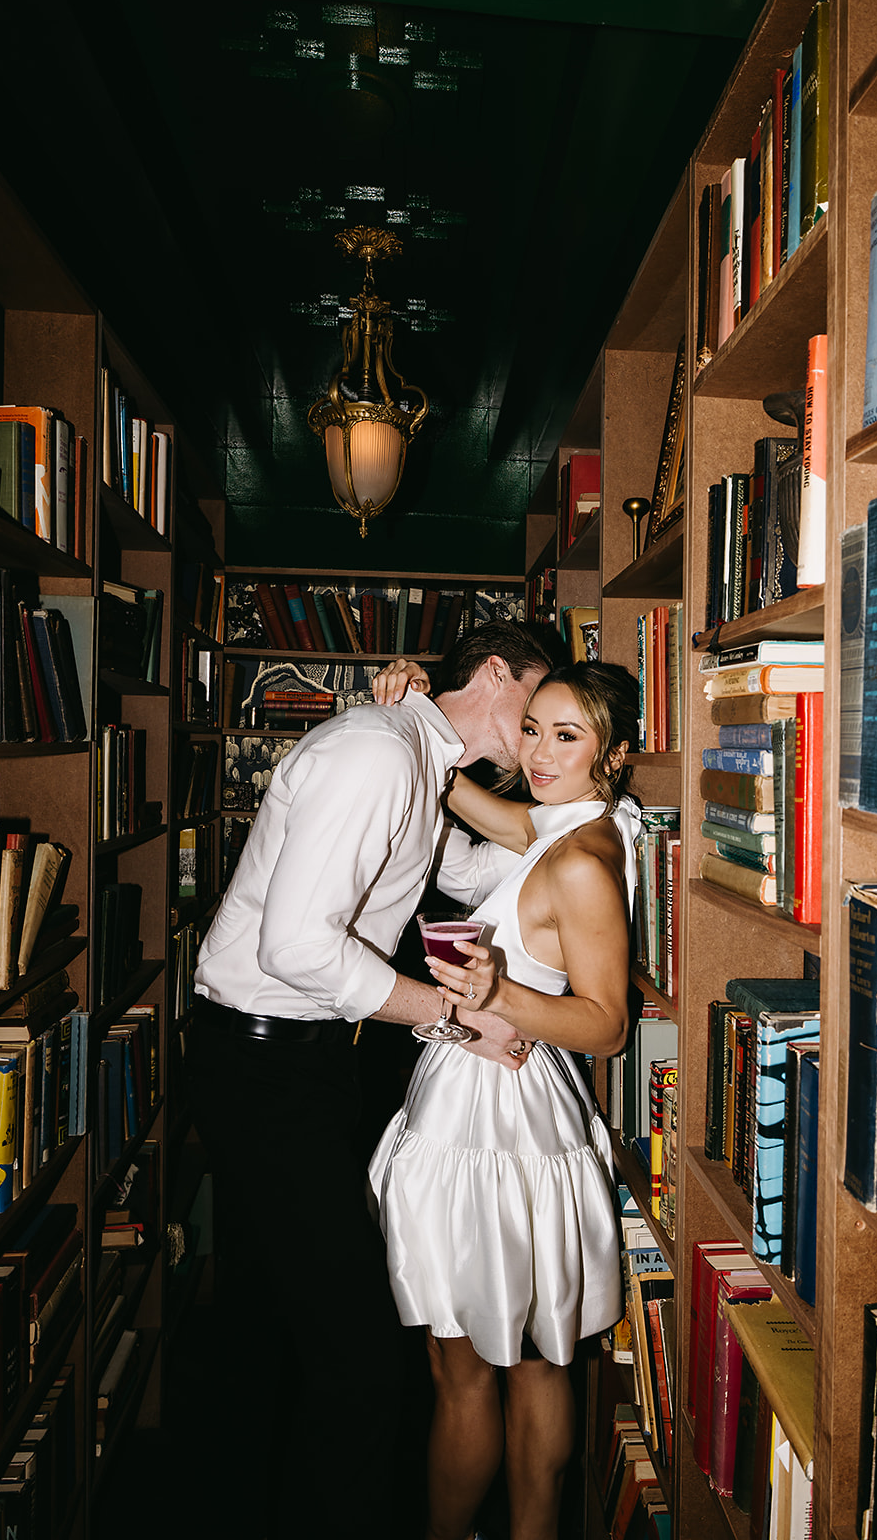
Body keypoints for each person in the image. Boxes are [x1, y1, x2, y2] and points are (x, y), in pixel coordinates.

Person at [185, 620, 556, 1540]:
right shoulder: (377, 754)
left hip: (288, 1060)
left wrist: (588, 822)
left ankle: (235, 1508)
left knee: (271, 1324)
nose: (549, 720)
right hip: (266, 1059)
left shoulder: (419, 763)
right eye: (543, 701)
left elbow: (463, 872)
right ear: (499, 673)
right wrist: (448, 1013)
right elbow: (298, 945)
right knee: (355, 1356)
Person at [368, 656, 642, 1540]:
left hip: (492, 1115)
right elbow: (462, 798)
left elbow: (606, 1026)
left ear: (616, 754)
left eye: (567, 736)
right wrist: (415, 712)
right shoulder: (572, 826)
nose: (537, 750)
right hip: (521, 1110)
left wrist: (492, 993)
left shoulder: (580, 863)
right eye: (532, 728)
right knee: (534, 1357)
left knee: (466, 1372)